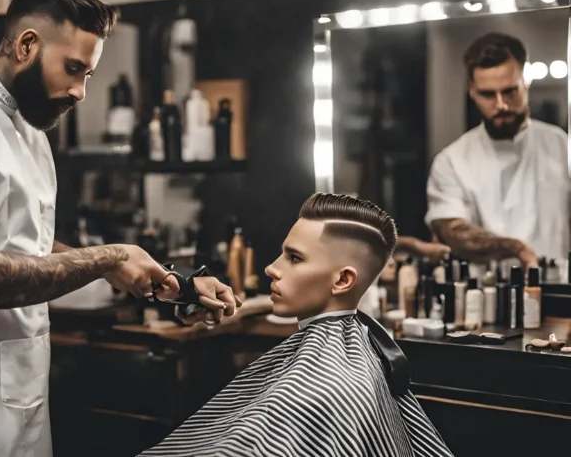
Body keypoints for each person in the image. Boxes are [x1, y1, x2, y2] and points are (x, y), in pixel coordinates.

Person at [0, 0, 238, 457]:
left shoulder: (30, 131)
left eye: (88, 74)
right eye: (74, 68)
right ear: (27, 44)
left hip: (19, 380)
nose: (82, 91)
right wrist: (111, 256)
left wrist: (169, 279)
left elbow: (30, 246)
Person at [141, 193, 453, 457]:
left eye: (294, 258)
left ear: (343, 280)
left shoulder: (326, 389)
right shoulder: (358, 357)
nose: (271, 268)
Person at [425, 32, 571, 269]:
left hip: (558, 290)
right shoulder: (452, 161)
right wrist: (517, 249)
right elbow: (452, 231)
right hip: (485, 296)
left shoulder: (561, 144)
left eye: (510, 91)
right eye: (488, 94)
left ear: (525, 82)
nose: (501, 104)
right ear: (472, 90)